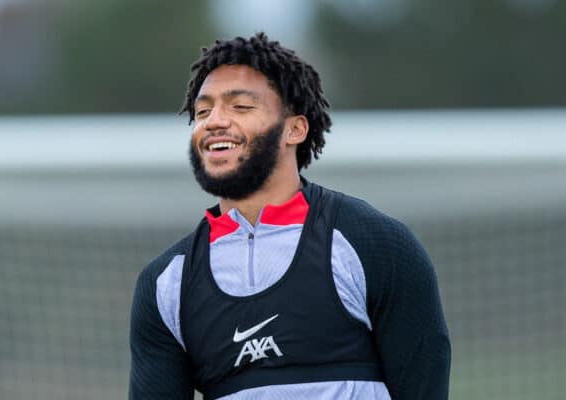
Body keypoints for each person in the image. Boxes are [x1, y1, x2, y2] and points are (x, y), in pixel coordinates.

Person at [129, 32, 451, 400]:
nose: (214, 121)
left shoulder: (376, 245)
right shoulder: (165, 285)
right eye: (203, 111)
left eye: (240, 107)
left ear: (294, 129)